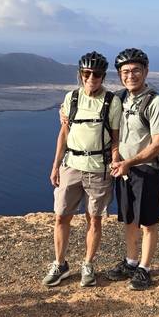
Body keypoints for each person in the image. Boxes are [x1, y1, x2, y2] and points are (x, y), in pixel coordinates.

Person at [43, 51, 122, 288]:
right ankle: (60, 264)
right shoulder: (71, 98)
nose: (92, 78)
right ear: (80, 74)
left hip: (99, 169)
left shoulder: (112, 102)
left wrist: (115, 161)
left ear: (103, 76)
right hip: (71, 166)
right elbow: (64, 134)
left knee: (94, 220)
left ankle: (88, 264)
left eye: (97, 74)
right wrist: (56, 165)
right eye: (87, 73)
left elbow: (116, 139)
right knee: (61, 217)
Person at [106, 48, 159, 291]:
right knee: (129, 218)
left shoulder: (155, 102)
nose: (130, 75)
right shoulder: (120, 99)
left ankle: (145, 268)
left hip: (147, 171)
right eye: (125, 72)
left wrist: (128, 163)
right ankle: (131, 262)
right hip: (124, 170)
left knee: (148, 222)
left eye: (135, 71)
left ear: (145, 72)